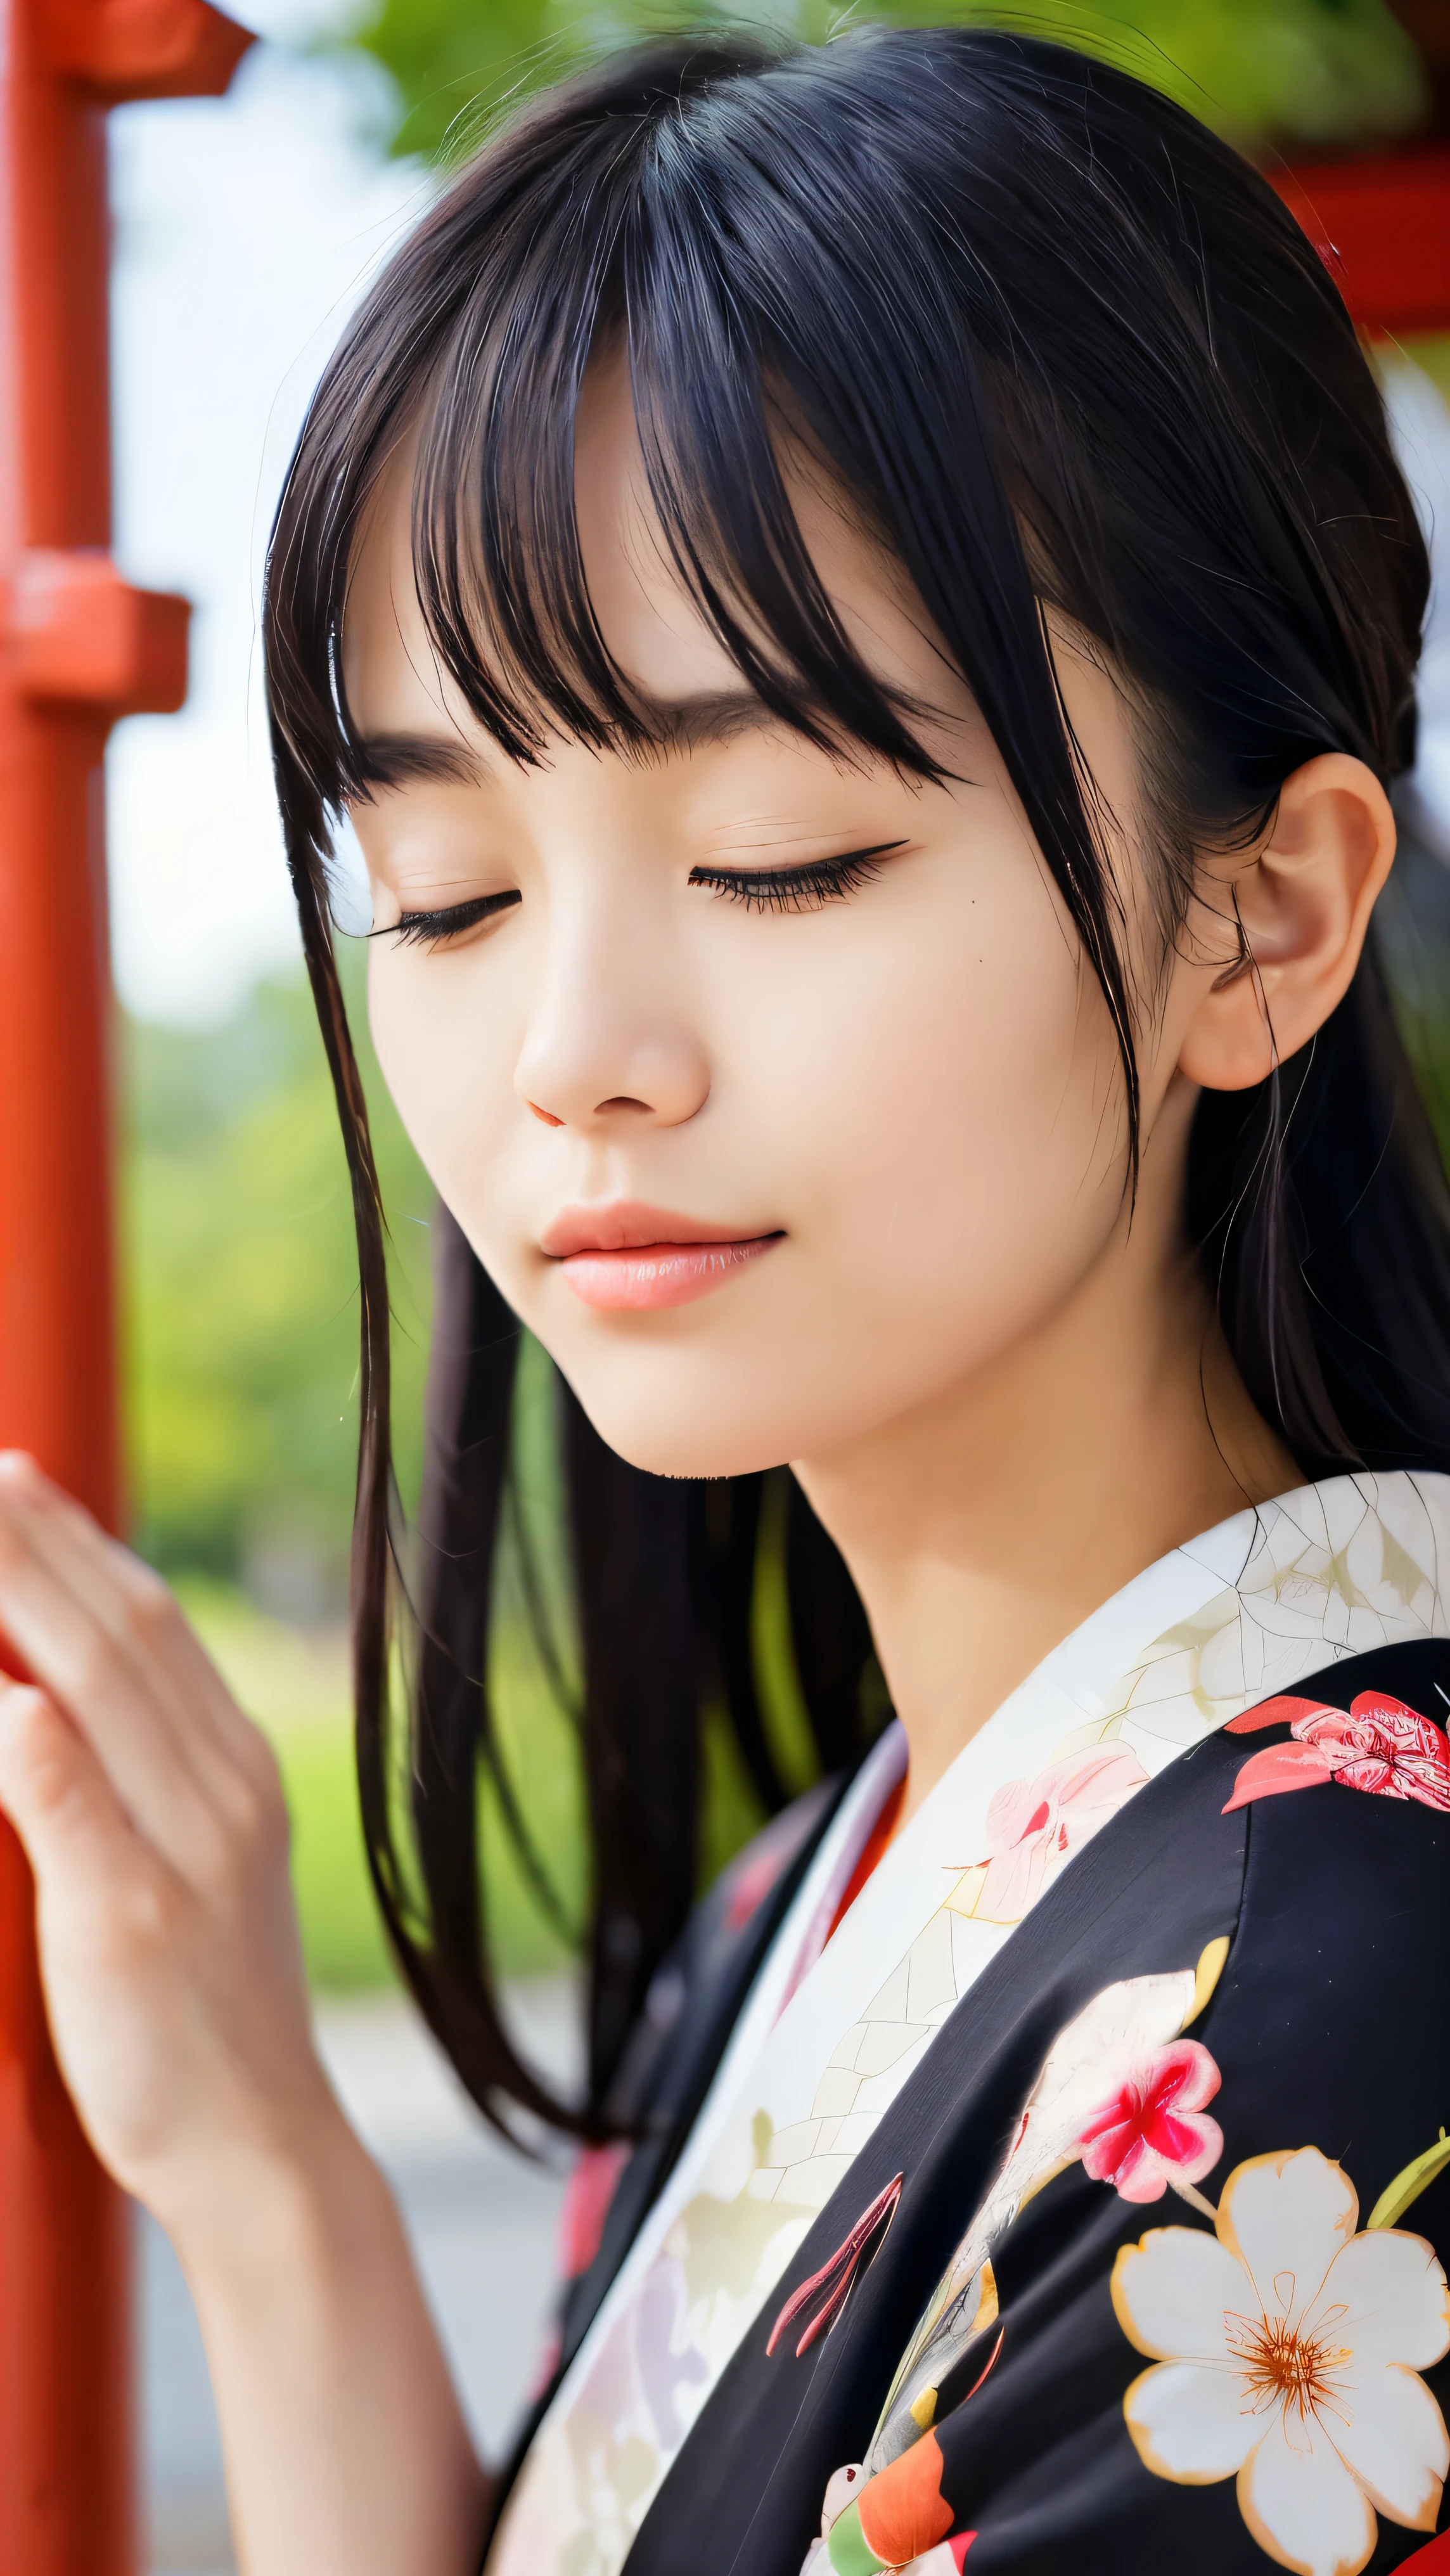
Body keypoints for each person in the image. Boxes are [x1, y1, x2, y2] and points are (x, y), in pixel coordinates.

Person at [3, 25, 1450, 2575]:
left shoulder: (1335, 2003)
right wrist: (263, 2161)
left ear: (1261, 914)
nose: (568, 1053)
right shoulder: (818, 1891)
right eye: (446, 895)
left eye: (778, 852)